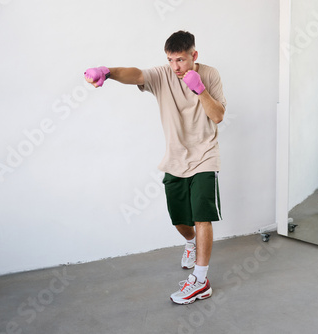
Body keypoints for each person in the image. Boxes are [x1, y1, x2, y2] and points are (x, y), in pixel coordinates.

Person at [84, 31, 226, 305]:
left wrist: (201, 90)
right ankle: (191, 243)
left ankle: (200, 280)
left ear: (194, 56)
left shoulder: (209, 74)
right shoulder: (163, 74)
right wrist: (108, 72)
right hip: (174, 159)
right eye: (171, 60)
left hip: (205, 155)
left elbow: (218, 116)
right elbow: (136, 74)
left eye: (181, 60)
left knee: (202, 216)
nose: (175, 67)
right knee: (180, 221)